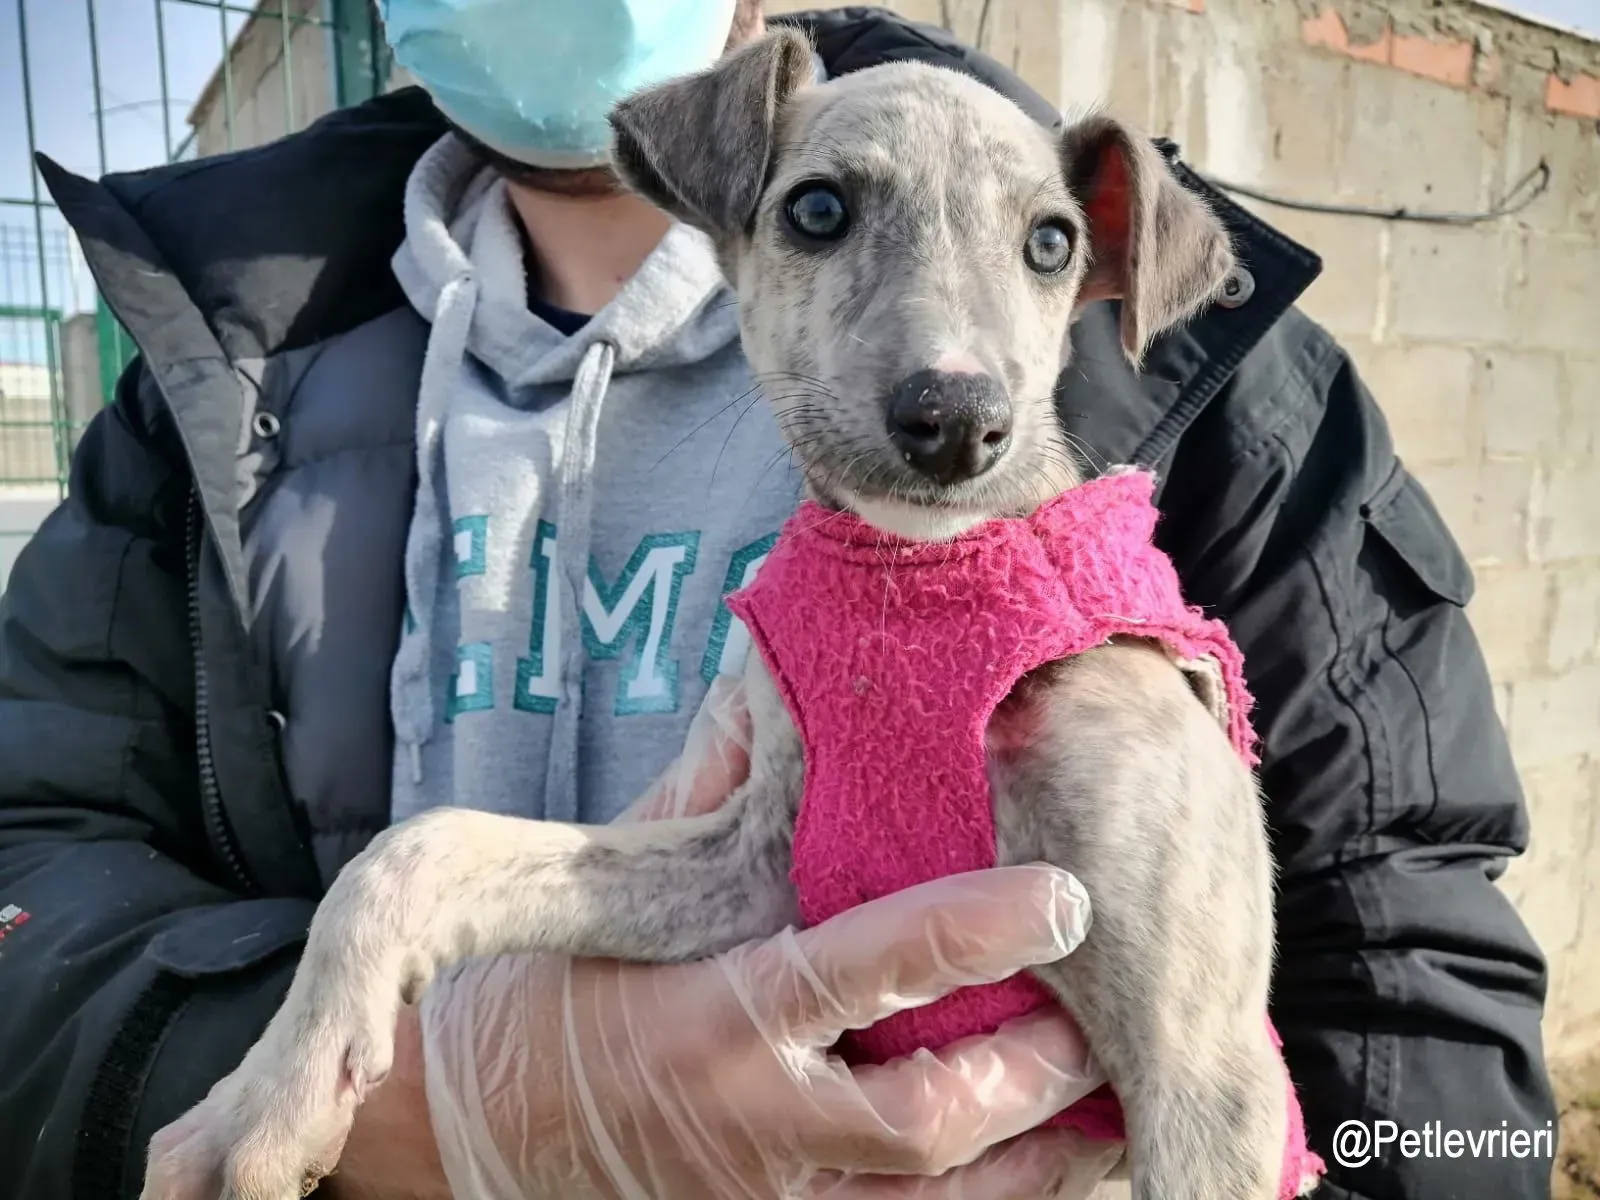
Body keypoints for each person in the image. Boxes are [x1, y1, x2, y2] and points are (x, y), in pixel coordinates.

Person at [0, 1, 1555, 1197]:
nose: (945, 367)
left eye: (1042, 247)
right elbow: (741, 868)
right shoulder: (199, 372)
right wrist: (443, 1112)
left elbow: (1338, 1018)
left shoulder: (1167, 535)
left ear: (1099, 271)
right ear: (731, 200)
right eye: (824, 216)